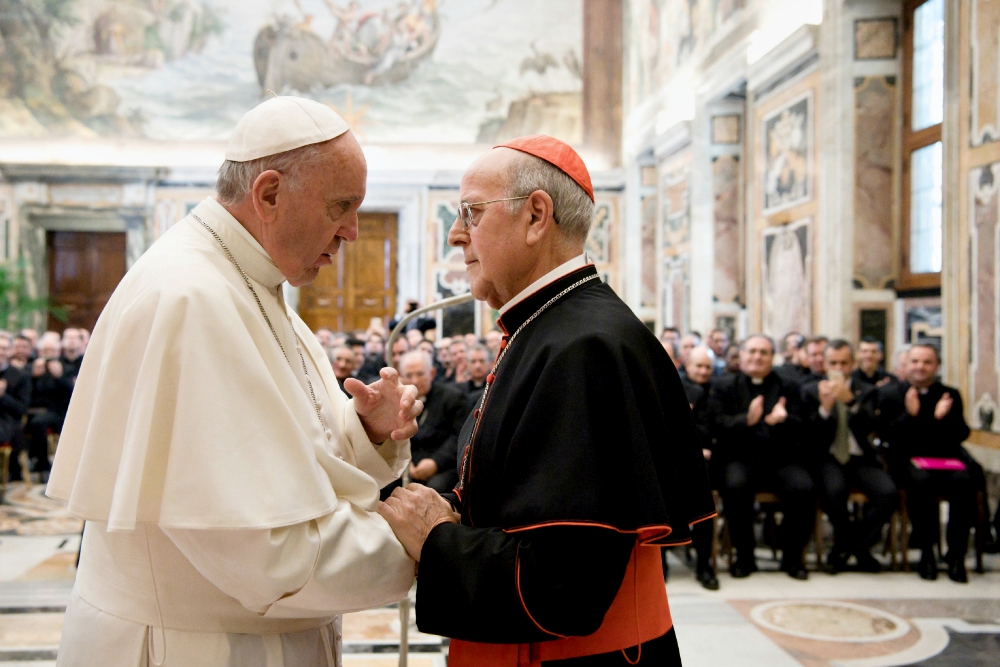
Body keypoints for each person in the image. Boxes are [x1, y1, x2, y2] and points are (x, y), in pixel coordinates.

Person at [46, 96, 423, 666]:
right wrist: (426, 548)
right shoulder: (192, 297)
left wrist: (364, 434)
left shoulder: (246, 279)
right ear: (269, 194)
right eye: (340, 206)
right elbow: (267, 556)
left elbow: (285, 461)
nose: (350, 231)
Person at [378, 135, 713, 666]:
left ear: (536, 216)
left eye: (471, 212)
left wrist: (439, 538)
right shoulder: (550, 328)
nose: (455, 234)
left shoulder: (585, 348)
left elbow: (563, 586)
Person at [872, 344, 983, 583]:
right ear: (907, 364)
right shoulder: (891, 394)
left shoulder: (948, 394)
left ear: (937, 366)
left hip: (946, 460)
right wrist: (911, 415)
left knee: (965, 482)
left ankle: (956, 556)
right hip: (909, 462)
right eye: (915, 361)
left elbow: (959, 435)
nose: (920, 367)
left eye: (927, 362)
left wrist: (939, 418)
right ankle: (927, 554)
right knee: (921, 483)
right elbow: (890, 437)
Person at [709, 334, 815, 580]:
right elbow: (716, 424)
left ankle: (792, 558)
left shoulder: (788, 386)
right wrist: (746, 420)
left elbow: (804, 425)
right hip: (740, 457)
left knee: (804, 487)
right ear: (742, 355)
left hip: (780, 459)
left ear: (772, 357)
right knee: (735, 487)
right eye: (752, 351)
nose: (757, 357)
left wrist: (784, 419)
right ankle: (745, 558)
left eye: (764, 352)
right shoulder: (724, 385)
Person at [801, 340, 897, 573]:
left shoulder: (867, 390)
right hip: (829, 457)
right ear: (823, 364)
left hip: (860, 457)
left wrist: (851, 402)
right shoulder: (810, 390)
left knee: (888, 493)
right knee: (834, 492)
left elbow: (872, 426)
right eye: (833, 363)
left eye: (844, 362)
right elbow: (809, 438)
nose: (839, 368)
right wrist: (824, 410)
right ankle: (858, 551)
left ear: (853, 363)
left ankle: (848, 546)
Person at [399, 350, 467, 493]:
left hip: (443, 465)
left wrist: (435, 462)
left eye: (420, 374)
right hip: (407, 463)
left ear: (432, 373)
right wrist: (405, 462)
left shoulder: (453, 398)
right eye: (409, 375)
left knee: (433, 489)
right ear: (401, 377)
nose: (415, 381)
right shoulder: (396, 401)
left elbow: (459, 437)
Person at [680, 346, 719, 590]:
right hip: (674, 459)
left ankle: (704, 565)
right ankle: (660, 564)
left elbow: (712, 429)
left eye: (707, 367)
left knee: (706, 505)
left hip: (707, 461)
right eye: (698, 366)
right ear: (687, 365)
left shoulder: (718, 389)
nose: (703, 372)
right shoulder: (675, 385)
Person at [28, 334, 72, 480]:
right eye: (45, 350)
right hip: (33, 410)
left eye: (51, 350)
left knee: (38, 423)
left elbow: (72, 393)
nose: (48, 354)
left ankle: (44, 466)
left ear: (58, 351)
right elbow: (26, 394)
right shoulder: (33, 368)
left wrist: (59, 376)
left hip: (57, 411)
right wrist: (33, 377)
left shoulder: (66, 368)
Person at [0, 335, 32, 481]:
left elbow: (22, 409)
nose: (1, 352)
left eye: (4, 348)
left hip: (8, 423)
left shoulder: (19, 375)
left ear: (10, 351)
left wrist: (3, 396)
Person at [459, 344, 490, 413]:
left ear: (489, 363)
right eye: (473, 361)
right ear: (466, 364)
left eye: (482, 361)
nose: (478, 366)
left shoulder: (494, 387)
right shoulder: (460, 391)